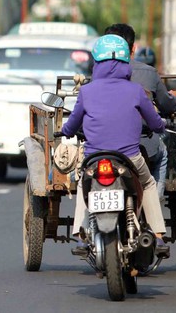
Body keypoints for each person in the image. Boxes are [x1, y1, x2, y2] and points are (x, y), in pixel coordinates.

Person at [62, 34, 169, 258]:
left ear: (97, 63)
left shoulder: (86, 91)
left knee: (84, 184)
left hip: (94, 158)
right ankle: (158, 236)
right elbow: (155, 122)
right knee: (148, 183)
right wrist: (161, 125)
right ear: (124, 63)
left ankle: (81, 235)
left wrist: (65, 131)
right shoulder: (136, 91)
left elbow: (72, 125)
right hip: (130, 157)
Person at [105, 24, 176, 201]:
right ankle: (154, 204)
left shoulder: (96, 77)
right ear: (133, 48)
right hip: (140, 145)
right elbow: (165, 108)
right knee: (161, 154)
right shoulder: (146, 75)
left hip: (101, 147)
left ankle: (82, 226)